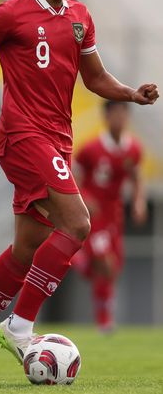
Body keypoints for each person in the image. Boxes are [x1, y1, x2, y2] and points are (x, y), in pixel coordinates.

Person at [0, 0, 158, 386]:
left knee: (27, 248)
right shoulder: (10, 14)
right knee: (78, 224)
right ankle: (19, 328)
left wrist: (131, 95)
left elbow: (95, 79)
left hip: (59, 139)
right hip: (22, 137)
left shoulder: (80, 17)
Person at [71, 100, 147, 333]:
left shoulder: (133, 148)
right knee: (105, 263)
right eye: (115, 113)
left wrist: (138, 202)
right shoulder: (90, 149)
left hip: (115, 214)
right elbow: (73, 176)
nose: (119, 118)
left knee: (113, 267)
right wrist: (84, 197)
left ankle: (78, 261)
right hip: (95, 215)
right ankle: (104, 320)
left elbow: (136, 177)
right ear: (106, 116)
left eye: (123, 113)